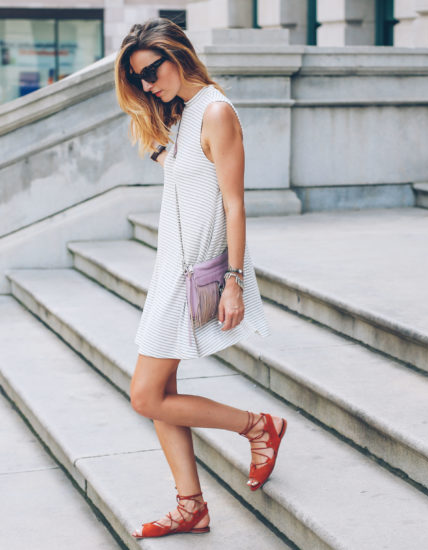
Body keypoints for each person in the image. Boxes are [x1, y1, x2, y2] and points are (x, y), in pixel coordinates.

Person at [114, 18, 287, 539]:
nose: (148, 84)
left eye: (152, 70)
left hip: (195, 274)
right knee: (160, 391)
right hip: (168, 271)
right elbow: (187, 174)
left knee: (144, 396)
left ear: (178, 55)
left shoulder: (216, 112)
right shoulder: (183, 116)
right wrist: (161, 148)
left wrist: (233, 280)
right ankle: (190, 505)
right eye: (139, 79)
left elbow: (234, 203)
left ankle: (257, 427)